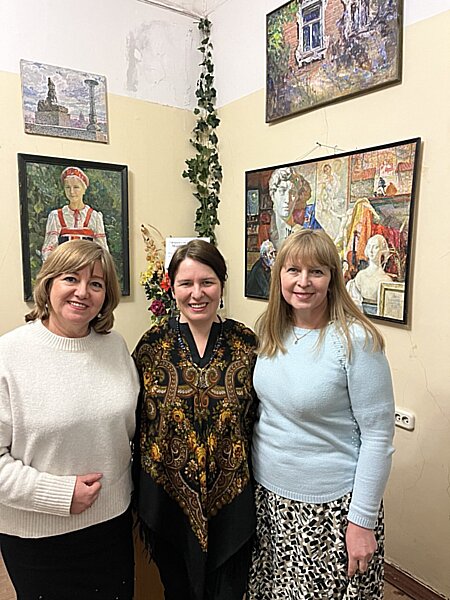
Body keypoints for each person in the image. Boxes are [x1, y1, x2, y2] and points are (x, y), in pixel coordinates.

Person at [247, 228, 395, 599]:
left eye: (316, 271)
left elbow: (378, 436)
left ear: (333, 278)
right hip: (269, 502)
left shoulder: (355, 340)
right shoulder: (270, 331)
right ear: (278, 275)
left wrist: (362, 521)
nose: (303, 282)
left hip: (329, 510)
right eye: (293, 270)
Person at [0, 240, 139, 599]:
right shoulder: (9, 355)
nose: (82, 292)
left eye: (96, 283)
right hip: (39, 538)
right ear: (48, 284)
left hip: (112, 526)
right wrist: (60, 495)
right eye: (70, 279)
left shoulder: (115, 347)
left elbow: (126, 432)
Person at [133, 239, 258, 600]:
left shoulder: (246, 344)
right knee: (177, 590)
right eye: (186, 283)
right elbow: (132, 416)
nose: (197, 293)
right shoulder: (152, 345)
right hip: (167, 498)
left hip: (234, 496)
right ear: (171, 287)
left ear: (222, 284)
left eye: (207, 282)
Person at [41, 166, 109, 261]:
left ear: (84, 189)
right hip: (64, 266)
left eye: (76, 187)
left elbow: (102, 249)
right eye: (68, 187)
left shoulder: (94, 216)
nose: (71, 192)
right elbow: (49, 248)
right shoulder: (56, 216)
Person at [347, 233, 392, 315]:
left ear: (382, 250)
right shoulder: (360, 276)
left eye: (375, 247)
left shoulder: (386, 280)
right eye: (369, 246)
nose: (371, 251)